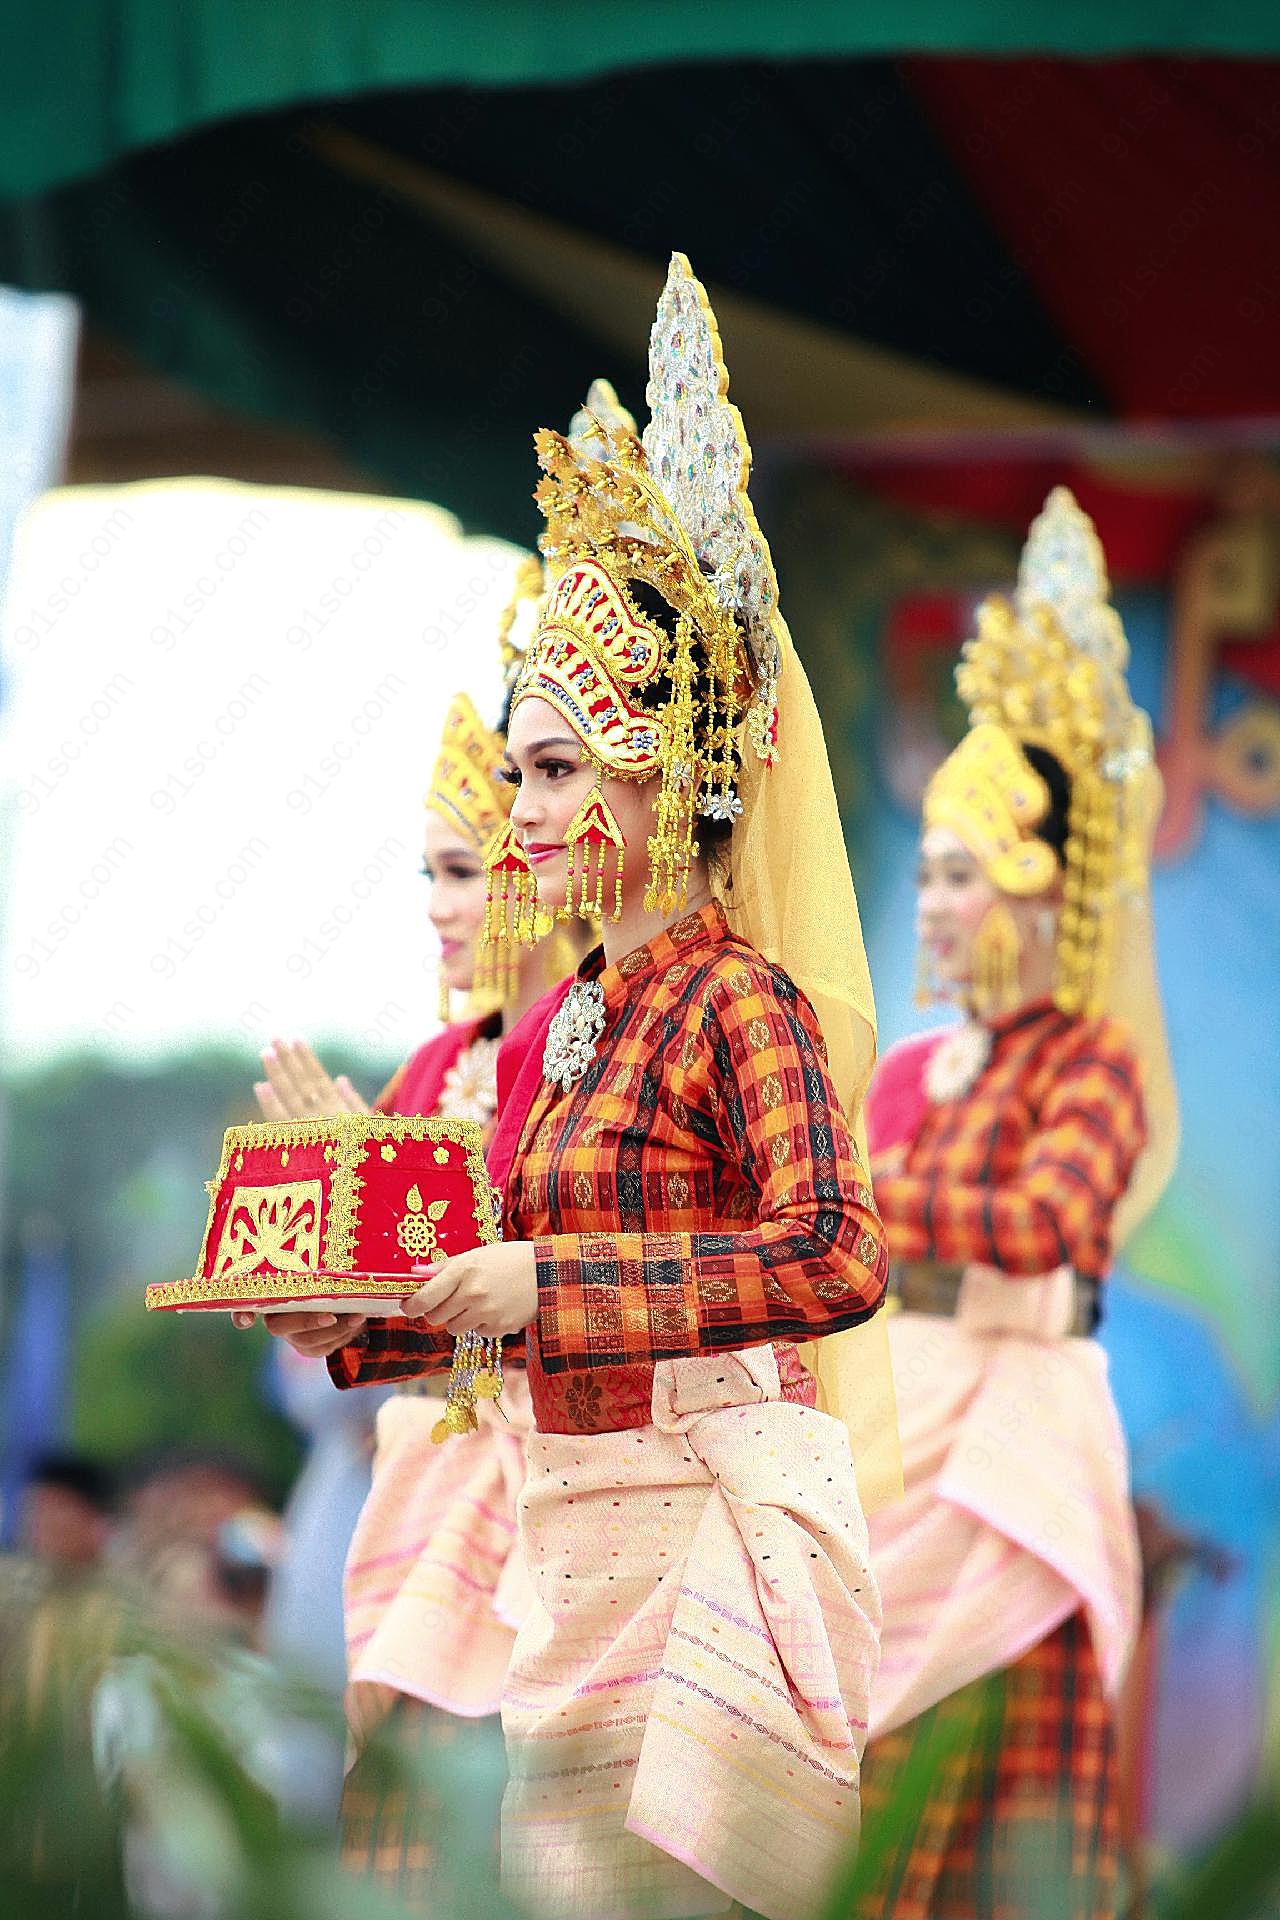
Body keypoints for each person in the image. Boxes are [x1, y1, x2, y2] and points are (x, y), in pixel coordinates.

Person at [307, 253, 899, 1920]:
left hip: (715, 1532)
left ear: (674, 777)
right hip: (568, 1544)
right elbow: (521, 1297)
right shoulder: (576, 1027)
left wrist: (551, 1276)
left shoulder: (735, 1002)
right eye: (519, 774)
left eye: (556, 769)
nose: (525, 814)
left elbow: (841, 1255)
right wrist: (367, 1321)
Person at [854, 487, 1180, 1920]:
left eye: (962, 876)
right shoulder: (915, 1071)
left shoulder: (1091, 1063)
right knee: (867, 1785)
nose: (932, 906)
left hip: (1017, 1443)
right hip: (894, 1426)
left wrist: (866, 1192)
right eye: (923, 873)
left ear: (1044, 893)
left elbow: (1047, 1223)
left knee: (1016, 1794)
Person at [246, 608, 583, 1893]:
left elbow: (544, 1267)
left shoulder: (580, 1042)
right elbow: (373, 1310)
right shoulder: (435, 1065)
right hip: (407, 1478)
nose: (441, 908)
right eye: (429, 876)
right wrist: (320, 1229)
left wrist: (382, 1192)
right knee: (388, 1828)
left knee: (513, 1834)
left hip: (547, 1482)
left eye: (465, 871)